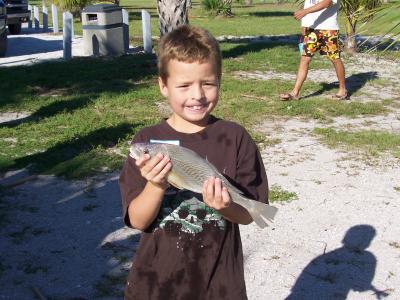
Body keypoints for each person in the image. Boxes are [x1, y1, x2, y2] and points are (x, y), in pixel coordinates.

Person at [119, 25, 269, 299]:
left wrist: (227, 206)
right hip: (155, 283)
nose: (197, 95)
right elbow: (139, 221)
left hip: (219, 283)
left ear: (220, 81)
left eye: (208, 83)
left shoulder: (235, 137)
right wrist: (155, 185)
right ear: (163, 85)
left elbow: (249, 215)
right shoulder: (148, 139)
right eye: (184, 85)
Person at [280, 0, 349, 101]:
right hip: (312, 30)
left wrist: (305, 12)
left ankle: (342, 90)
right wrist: (304, 24)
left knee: (335, 58)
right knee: (305, 59)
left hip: (329, 30)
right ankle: (295, 92)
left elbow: (327, 3)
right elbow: (308, 3)